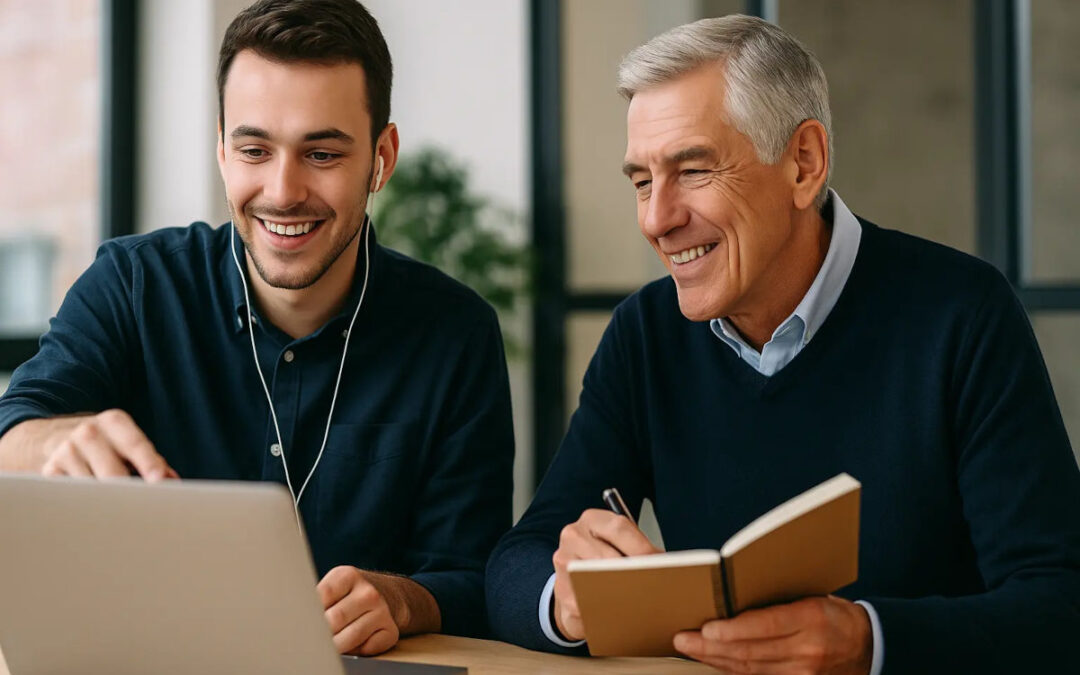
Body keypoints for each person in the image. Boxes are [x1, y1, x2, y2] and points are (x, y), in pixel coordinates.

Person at [486, 15, 1080, 674]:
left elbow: (1060, 606)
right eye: (642, 180)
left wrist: (869, 639)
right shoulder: (644, 335)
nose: (657, 218)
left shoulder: (964, 315)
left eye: (694, 169)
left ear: (804, 163)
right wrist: (566, 602)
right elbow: (517, 561)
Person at [0, 0, 514, 657]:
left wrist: (402, 599)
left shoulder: (456, 334)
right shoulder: (131, 286)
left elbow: (475, 578)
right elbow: (12, 428)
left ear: (381, 159)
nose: (282, 189)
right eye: (254, 149)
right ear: (221, 151)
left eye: (322, 152)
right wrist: (51, 443)